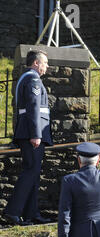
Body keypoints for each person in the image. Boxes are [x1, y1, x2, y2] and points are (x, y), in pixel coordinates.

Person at [2, 50, 53, 225]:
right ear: (36, 63)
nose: (47, 66)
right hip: (32, 134)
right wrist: (36, 134)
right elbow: (33, 107)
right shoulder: (33, 80)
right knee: (31, 171)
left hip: (29, 132)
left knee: (33, 173)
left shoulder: (27, 78)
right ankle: (12, 211)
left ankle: (32, 214)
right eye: (45, 63)